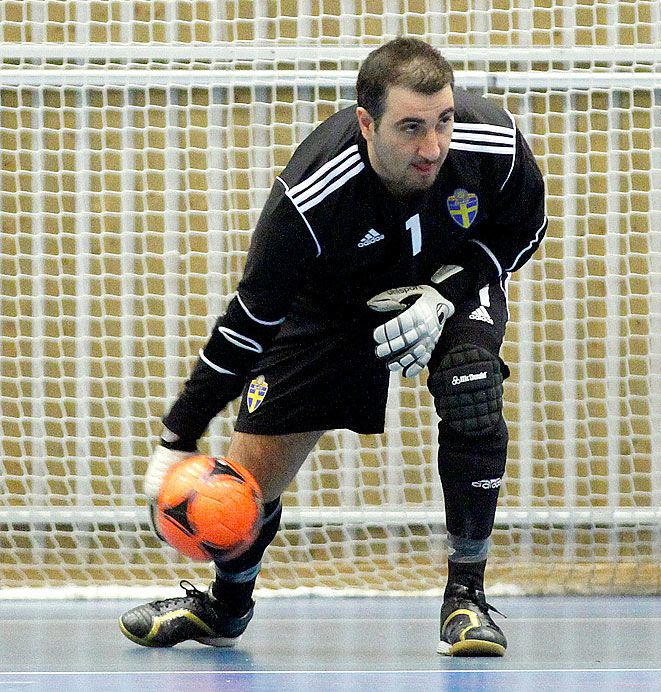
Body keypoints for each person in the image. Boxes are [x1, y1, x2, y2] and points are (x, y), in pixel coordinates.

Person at [118, 37, 547, 657]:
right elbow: (249, 321)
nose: (432, 148)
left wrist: (445, 293)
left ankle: (466, 599)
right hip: (330, 310)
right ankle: (225, 607)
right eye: (410, 128)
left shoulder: (494, 143)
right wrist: (178, 436)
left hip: (451, 283)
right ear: (366, 124)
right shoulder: (311, 191)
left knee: (472, 385)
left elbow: (522, 228)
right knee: (244, 486)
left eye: (444, 121)